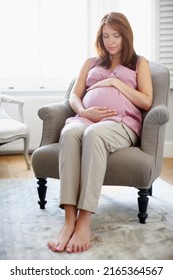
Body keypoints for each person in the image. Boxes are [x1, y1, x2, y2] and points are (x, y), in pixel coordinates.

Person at [48, 12, 153, 253]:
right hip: (85, 118)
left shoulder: (139, 63)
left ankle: (84, 219)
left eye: (116, 35)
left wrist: (116, 83)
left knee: (93, 134)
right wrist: (85, 111)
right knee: (69, 133)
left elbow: (147, 101)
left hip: (121, 123)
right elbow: (74, 95)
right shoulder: (90, 63)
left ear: (126, 35)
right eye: (106, 36)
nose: (111, 41)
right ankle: (68, 220)